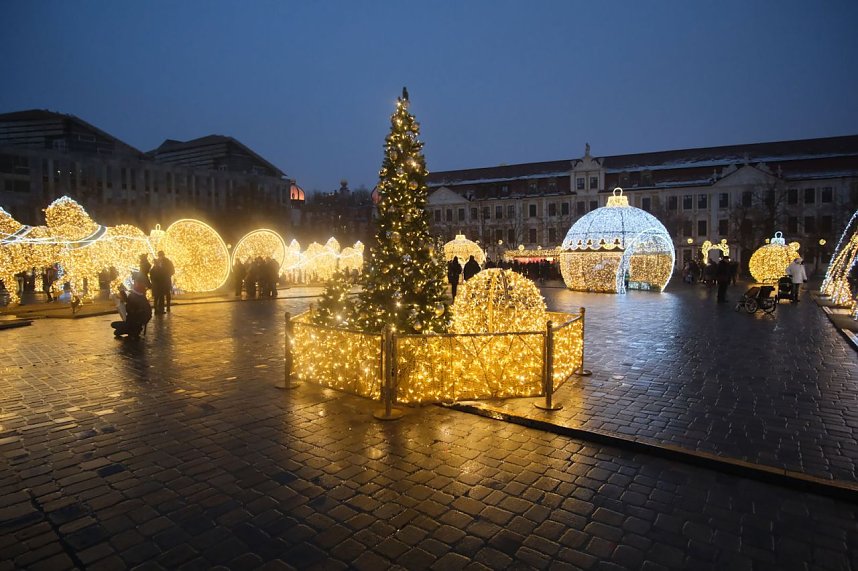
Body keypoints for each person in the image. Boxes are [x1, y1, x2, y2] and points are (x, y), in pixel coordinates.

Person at [111, 273, 152, 340]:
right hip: (135, 321)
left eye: (135, 282)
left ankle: (131, 330)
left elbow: (131, 309)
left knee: (116, 329)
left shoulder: (136, 297)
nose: (134, 284)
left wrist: (125, 304)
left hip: (134, 322)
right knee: (114, 326)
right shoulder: (139, 297)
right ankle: (131, 330)